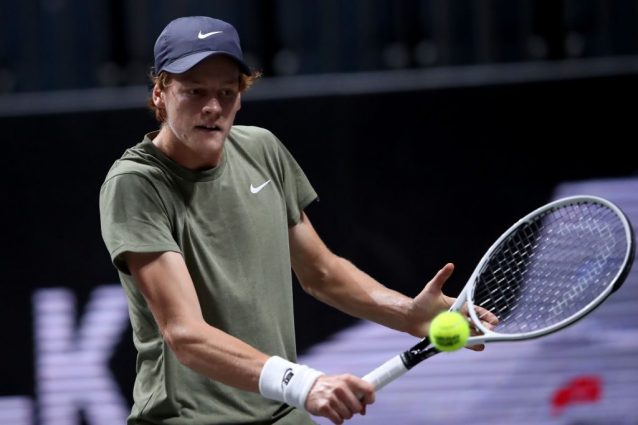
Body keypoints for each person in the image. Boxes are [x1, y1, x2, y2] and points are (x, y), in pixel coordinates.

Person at [99, 15, 497, 425]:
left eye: (226, 91)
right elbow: (184, 334)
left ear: (240, 96)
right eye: (194, 91)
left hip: (281, 412)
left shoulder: (262, 150)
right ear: (160, 93)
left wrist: (409, 314)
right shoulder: (136, 183)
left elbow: (321, 273)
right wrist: (302, 383)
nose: (213, 107)